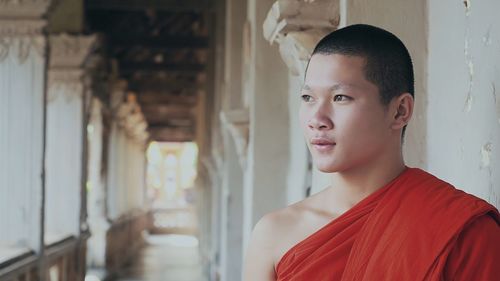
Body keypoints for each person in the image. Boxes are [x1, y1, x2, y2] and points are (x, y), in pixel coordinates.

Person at [243, 24, 500, 280]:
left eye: (340, 97)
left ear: (400, 111)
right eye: (308, 98)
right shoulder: (274, 234)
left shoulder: (463, 232)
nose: (316, 119)